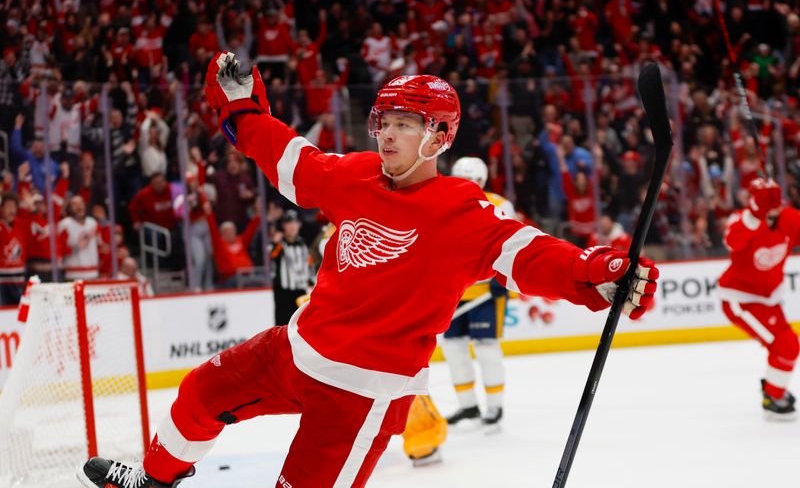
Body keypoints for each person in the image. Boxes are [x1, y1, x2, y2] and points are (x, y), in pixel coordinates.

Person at [77, 53, 659, 488]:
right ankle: (153, 482)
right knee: (199, 393)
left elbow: (531, 255)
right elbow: (290, 158)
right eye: (384, 121)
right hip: (294, 350)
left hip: (361, 396)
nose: (386, 133)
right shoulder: (354, 175)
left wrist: (602, 272)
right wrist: (241, 109)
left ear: (440, 135)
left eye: (404, 123)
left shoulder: (463, 211)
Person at [441, 156, 514, 431]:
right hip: (454, 291)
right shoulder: (445, 201)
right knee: (454, 348)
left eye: (474, 180)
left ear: (483, 181)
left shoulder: (500, 205)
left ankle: (494, 406)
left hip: (485, 290)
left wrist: (502, 278)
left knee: (486, 349)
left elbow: (511, 241)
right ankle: (468, 405)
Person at [719, 178, 799, 419]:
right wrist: (755, 216)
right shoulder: (742, 220)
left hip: (769, 299)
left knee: (787, 345)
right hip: (740, 301)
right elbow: (732, 241)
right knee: (786, 345)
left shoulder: (789, 219)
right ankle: (773, 397)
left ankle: (774, 390)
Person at [271, 209, 314, 326]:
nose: (292, 226)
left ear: (299, 225)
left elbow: (309, 264)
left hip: (301, 291)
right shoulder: (279, 244)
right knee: (283, 327)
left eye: (295, 223)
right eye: (289, 223)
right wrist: (275, 244)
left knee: (301, 326)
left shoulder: (303, 244)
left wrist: (312, 281)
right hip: (283, 293)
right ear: (284, 226)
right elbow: (271, 257)